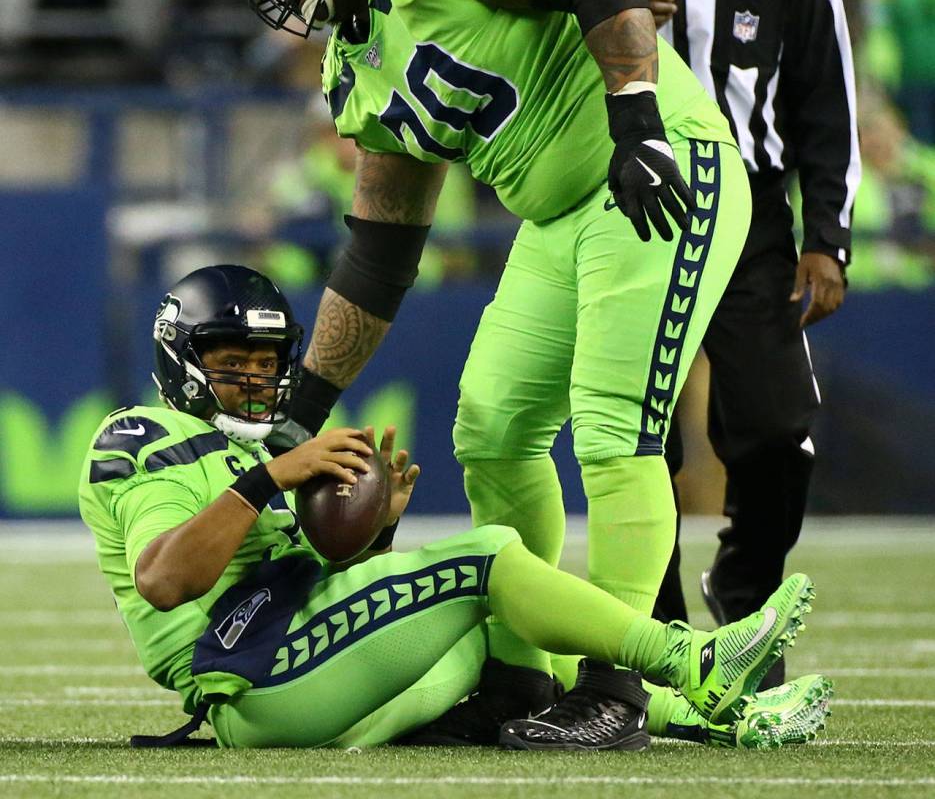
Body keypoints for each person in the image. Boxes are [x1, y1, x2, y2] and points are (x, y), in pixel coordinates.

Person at [221, 0, 758, 747]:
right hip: (554, 219)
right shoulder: (354, 67)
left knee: (611, 422)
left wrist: (637, 119)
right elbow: (381, 252)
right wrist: (303, 406)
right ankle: (521, 674)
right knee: (491, 428)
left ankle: (617, 686)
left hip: (654, 166)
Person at [77, 263, 832, 750]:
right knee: (488, 554)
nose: (250, 379)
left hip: (304, 665)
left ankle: (721, 719)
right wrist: (274, 477)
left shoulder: (251, 449)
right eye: (229, 362)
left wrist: (378, 532)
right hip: (250, 679)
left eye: (264, 364)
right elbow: (165, 579)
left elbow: (313, 585)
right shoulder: (145, 434)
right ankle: (691, 658)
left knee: (515, 641)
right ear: (181, 360)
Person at [581, 0, 860, 686]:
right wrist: (609, 39)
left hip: (747, 218)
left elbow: (828, 98)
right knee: (634, 437)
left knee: (779, 430)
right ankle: (657, 629)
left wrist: (829, 234)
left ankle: (740, 590)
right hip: (625, 218)